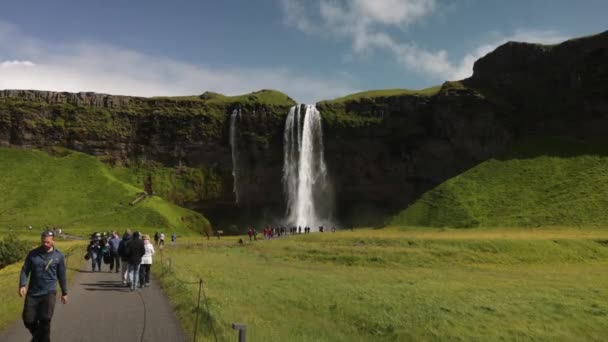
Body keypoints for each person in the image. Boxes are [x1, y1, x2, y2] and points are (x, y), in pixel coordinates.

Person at [19, 231, 68, 342]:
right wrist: (22, 284)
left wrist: (64, 292)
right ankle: (39, 337)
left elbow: (62, 275)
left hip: (49, 293)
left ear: (53, 241)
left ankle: (42, 339)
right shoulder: (33, 254)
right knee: (28, 320)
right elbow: (25, 270)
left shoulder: (58, 256)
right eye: (43, 242)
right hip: (33, 293)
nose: (45, 244)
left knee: (45, 320)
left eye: (47, 242)